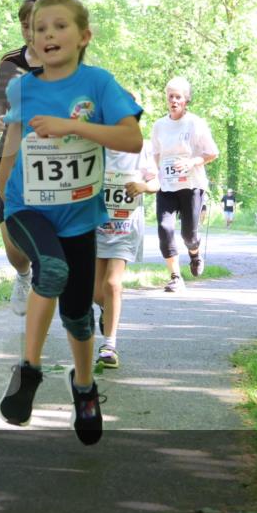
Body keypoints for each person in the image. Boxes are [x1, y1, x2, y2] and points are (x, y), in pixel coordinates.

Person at [0, 0, 143, 445]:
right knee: (51, 269)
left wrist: (74, 126)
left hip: (79, 217)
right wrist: (2, 199)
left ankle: (84, 388)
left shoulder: (99, 84)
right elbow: (13, 140)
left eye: (59, 27)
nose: (48, 35)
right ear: (31, 40)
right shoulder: (20, 87)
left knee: (79, 314)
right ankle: (29, 371)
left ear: (83, 37)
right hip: (27, 206)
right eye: (40, 29)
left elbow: (131, 138)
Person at [0, 0, 42, 316]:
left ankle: (46, 274)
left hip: (50, 155)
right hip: (10, 151)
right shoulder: (10, 61)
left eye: (34, 24)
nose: (29, 31)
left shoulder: (61, 61)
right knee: (12, 247)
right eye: (24, 25)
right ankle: (23, 274)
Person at [93, 141, 159, 369]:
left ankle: (109, 346)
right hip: (96, 226)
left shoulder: (141, 147)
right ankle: (105, 308)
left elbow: (156, 182)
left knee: (112, 283)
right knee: (96, 293)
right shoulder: (93, 144)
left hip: (125, 227)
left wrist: (143, 186)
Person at [151, 76, 219, 292]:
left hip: (191, 185)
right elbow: (156, 154)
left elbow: (212, 153)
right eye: (170, 96)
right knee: (165, 227)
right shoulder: (159, 125)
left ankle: (194, 253)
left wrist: (191, 162)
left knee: (188, 234)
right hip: (167, 186)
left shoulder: (195, 123)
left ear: (186, 100)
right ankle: (175, 277)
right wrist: (156, 174)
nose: (174, 100)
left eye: (178, 97)